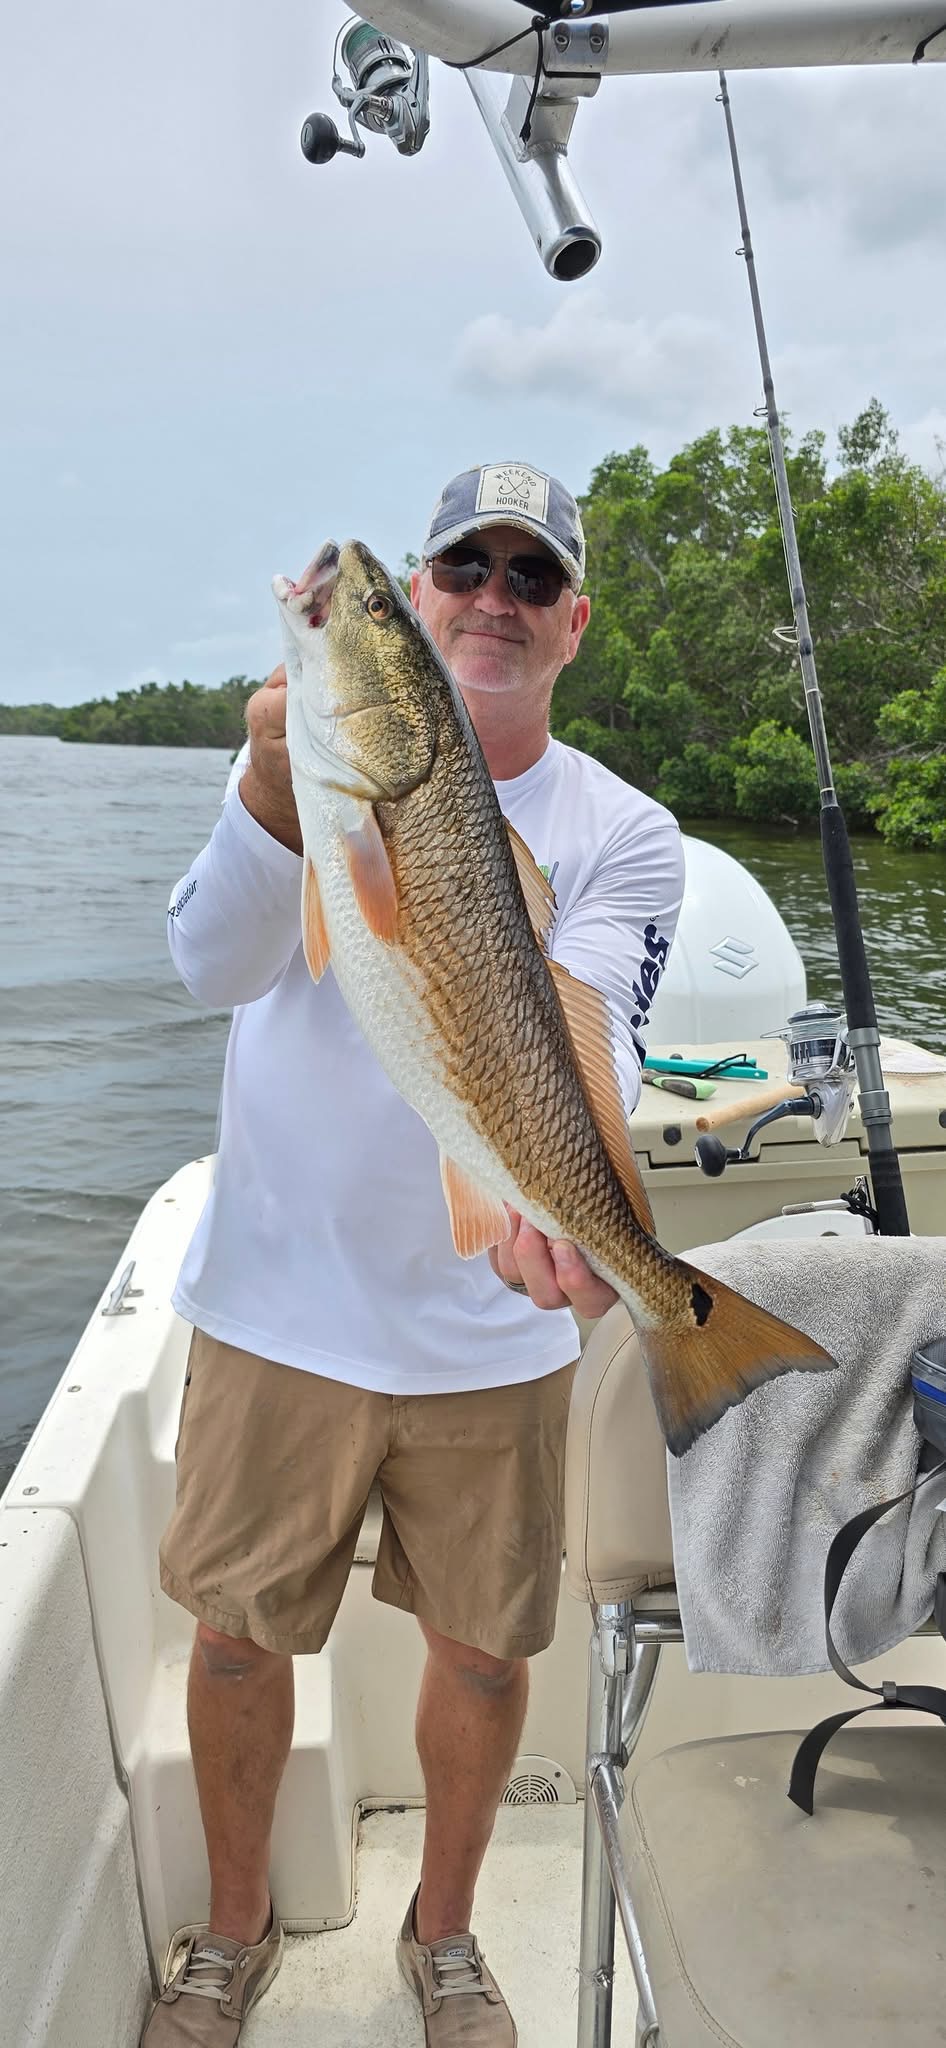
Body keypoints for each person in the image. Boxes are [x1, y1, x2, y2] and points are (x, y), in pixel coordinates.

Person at [147, 462, 685, 2046]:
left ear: (571, 623)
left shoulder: (624, 833)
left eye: (531, 578)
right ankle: (232, 1928)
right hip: (276, 1309)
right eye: (458, 571)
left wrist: (584, 1229)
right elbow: (211, 964)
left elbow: (593, 1036)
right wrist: (267, 785)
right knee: (237, 1645)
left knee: (485, 1651)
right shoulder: (302, 766)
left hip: (491, 1330)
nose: (490, 599)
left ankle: (442, 1936)